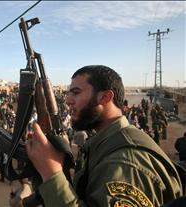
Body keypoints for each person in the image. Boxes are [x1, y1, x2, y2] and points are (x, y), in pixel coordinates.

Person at [26, 65, 183, 206]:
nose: (67, 100)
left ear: (105, 97)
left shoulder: (126, 164)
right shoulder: (108, 141)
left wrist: (51, 173)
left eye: (76, 93)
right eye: (68, 93)